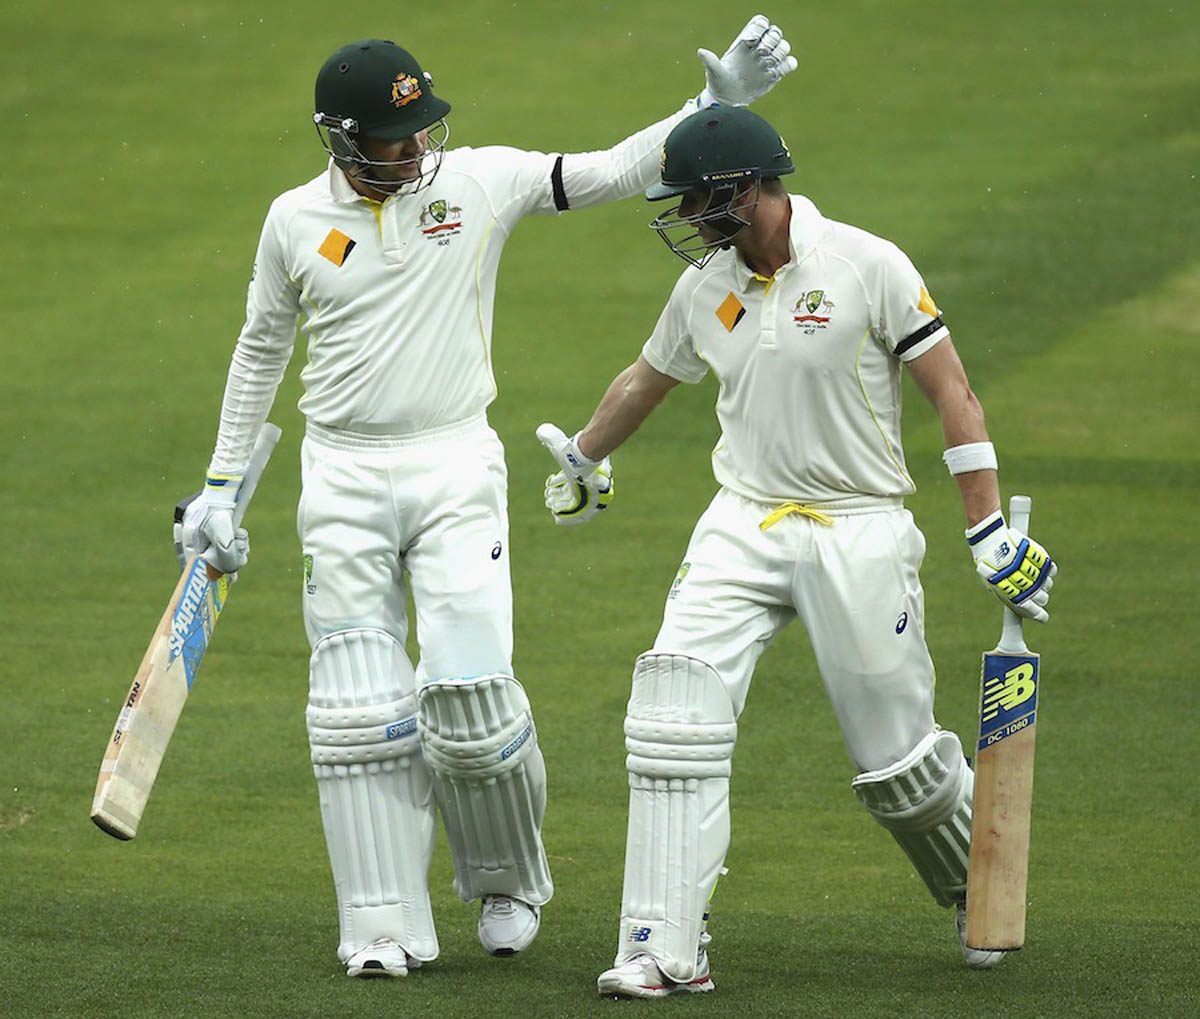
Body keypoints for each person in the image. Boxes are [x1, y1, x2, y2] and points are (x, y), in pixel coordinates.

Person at [175, 22, 796, 980]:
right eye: (396, 136)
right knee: (356, 710)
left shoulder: (478, 182)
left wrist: (713, 111)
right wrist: (220, 488)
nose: (417, 147)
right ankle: (381, 924)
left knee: (468, 697)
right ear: (342, 140)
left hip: (455, 464)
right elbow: (260, 349)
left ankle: (505, 878)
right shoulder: (293, 221)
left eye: (424, 126)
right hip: (339, 474)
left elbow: (609, 172)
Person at [536, 105, 1058, 998]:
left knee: (896, 766)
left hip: (858, 524)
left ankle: (982, 885)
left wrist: (986, 528)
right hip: (743, 518)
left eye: (701, 202)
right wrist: (585, 453)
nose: (689, 221)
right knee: (673, 707)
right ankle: (663, 945)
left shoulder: (867, 263)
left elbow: (955, 394)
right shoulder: (706, 283)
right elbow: (647, 377)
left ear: (752, 188)